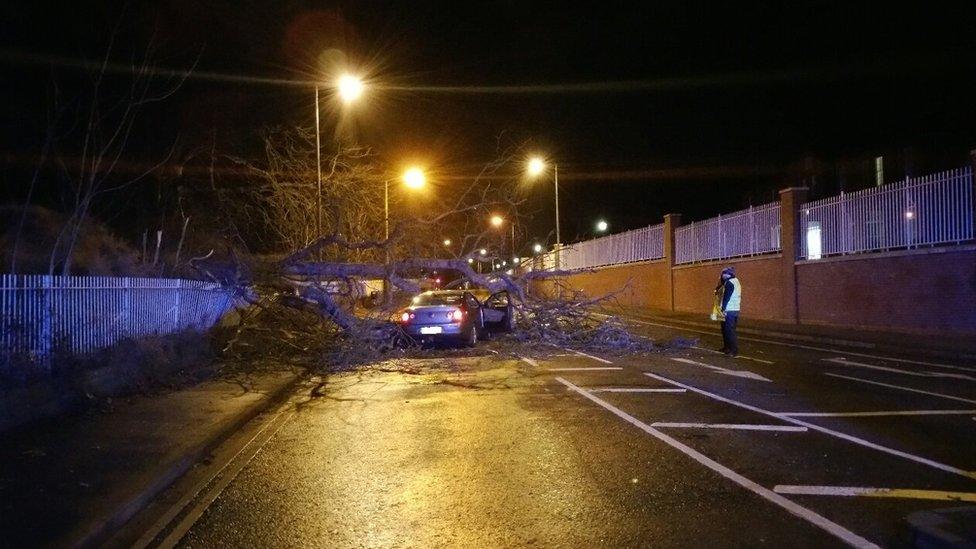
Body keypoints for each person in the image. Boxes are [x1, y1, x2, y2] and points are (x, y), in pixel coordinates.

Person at [715, 266, 742, 357]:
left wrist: (723, 309)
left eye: (723, 274)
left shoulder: (730, 283)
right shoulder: (734, 281)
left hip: (729, 310)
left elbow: (727, 297)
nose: (722, 275)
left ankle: (733, 351)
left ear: (728, 274)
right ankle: (727, 347)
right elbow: (718, 289)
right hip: (733, 309)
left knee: (729, 330)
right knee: (725, 330)